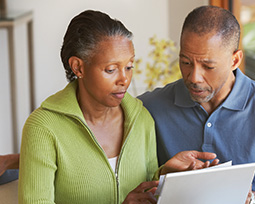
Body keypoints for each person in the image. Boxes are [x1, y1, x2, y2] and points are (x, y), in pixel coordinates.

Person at [18, 10, 218, 204]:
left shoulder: (141, 118)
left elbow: (145, 189)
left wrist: (165, 175)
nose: (124, 79)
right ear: (78, 67)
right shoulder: (43, 128)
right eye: (111, 69)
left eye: (129, 67)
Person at [138, 5, 255, 204]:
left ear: (235, 60)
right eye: (186, 62)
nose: (194, 77)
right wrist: (161, 175)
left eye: (208, 66)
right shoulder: (149, 107)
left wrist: (249, 199)